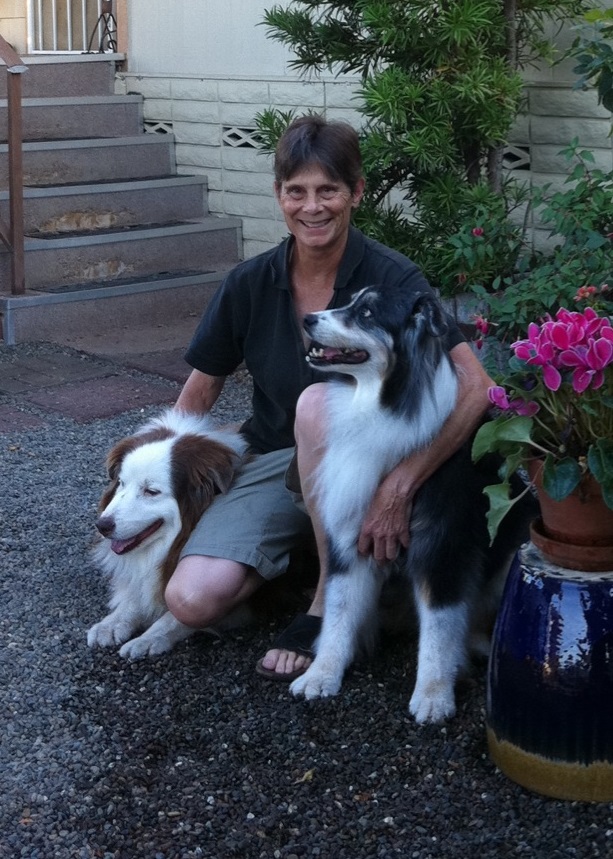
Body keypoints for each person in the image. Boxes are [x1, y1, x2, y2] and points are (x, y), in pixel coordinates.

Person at [166, 114, 494, 681]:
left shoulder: (392, 278)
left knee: (318, 404)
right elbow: (200, 391)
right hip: (276, 459)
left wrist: (400, 485)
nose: (312, 207)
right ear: (278, 195)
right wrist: (147, 483)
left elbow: (478, 386)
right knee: (191, 601)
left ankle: (323, 601)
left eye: (328, 191)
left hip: (369, 464)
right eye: (296, 191)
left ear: (356, 192)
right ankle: (301, 559)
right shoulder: (249, 282)